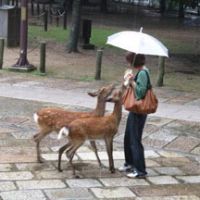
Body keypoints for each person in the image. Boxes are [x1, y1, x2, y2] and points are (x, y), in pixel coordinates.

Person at [119, 52, 150, 178]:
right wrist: (129, 79)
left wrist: (131, 81)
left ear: (133, 62)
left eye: (129, 61)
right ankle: (130, 163)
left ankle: (140, 170)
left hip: (139, 110)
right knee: (128, 137)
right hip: (135, 109)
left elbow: (140, 92)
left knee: (134, 140)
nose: (128, 63)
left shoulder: (143, 73)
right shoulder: (141, 71)